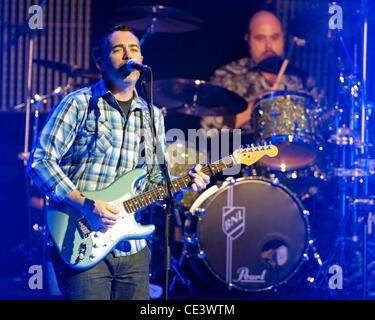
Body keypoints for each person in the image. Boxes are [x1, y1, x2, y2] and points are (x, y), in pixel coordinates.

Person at [26, 25, 210, 300]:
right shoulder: (79, 103)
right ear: (100, 62)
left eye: (134, 49)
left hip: (132, 249)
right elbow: (40, 162)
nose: (128, 55)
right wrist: (87, 204)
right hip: (80, 240)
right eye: (118, 49)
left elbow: (154, 180)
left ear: (142, 60)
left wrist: (185, 183)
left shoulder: (152, 116)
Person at [201, 10, 325, 134]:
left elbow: (326, 129)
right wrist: (257, 106)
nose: (268, 46)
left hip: (294, 151)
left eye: (275, 37)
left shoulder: (304, 80)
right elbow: (209, 131)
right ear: (247, 39)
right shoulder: (226, 77)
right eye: (260, 38)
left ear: (283, 38)